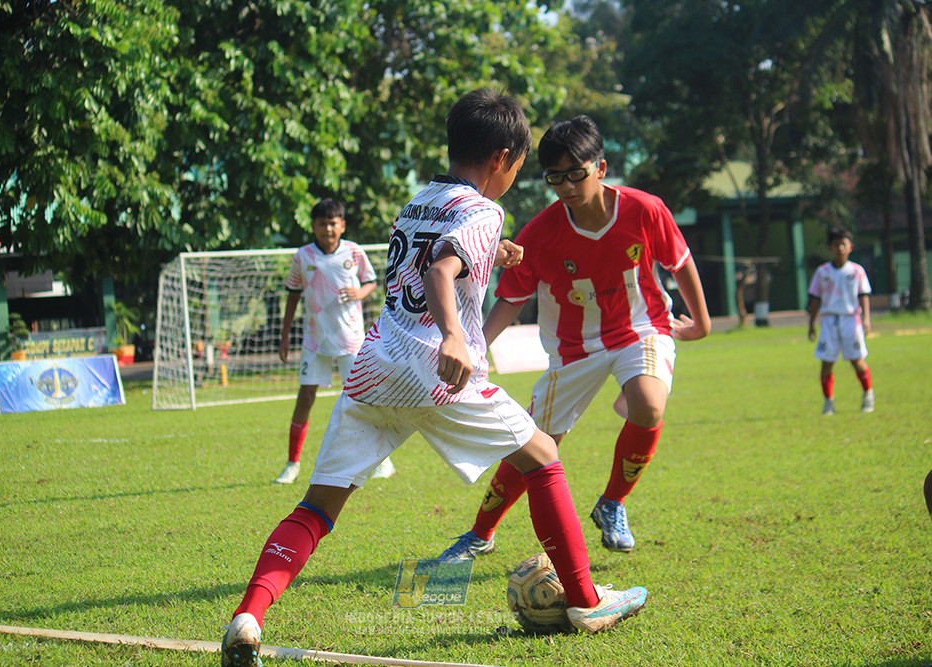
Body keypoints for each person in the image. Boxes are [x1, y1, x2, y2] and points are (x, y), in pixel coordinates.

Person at [220, 90, 648, 667]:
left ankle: (248, 617)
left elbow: (435, 248)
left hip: (375, 367)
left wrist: (493, 254)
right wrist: (452, 334)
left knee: (317, 508)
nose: (515, 181)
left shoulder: (421, 198)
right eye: (520, 168)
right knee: (543, 457)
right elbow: (443, 267)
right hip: (437, 368)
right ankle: (585, 601)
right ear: (501, 157)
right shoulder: (484, 209)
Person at [436, 115, 711, 562]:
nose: (566, 185)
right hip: (573, 350)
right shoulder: (541, 233)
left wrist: (702, 322)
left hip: (640, 328)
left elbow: (680, 262)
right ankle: (480, 533)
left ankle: (613, 503)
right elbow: (510, 299)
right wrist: (475, 345)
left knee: (649, 403)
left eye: (576, 174)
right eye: (555, 178)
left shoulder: (645, 209)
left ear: (600, 168)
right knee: (533, 444)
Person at [274, 198, 395, 483]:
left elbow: (371, 281)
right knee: (305, 398)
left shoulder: (353, 251)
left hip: (350, 339)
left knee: (362, 399)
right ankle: (292, 464)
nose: (327, 229)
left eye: (332, 223)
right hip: (314, 341)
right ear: (313, 226)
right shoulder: (303, 256)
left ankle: (384, 460)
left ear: (341, 225)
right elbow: (292, 293)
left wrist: (360, 293)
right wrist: (284, 335)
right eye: (321, 224)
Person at [807, 227, 874, 415]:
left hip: (850, 320)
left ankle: (868, 394)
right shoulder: (822, 272)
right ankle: (829, 401)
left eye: (843, 244)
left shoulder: (856, 271)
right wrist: (812, 323)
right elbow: (814, 298)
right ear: (830, 247)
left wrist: (866, 319)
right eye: (836, 244)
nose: (840, 248)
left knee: (856, 360)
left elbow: (863, 295)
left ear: (850, 247)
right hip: (829, 321)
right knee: (826, 363)